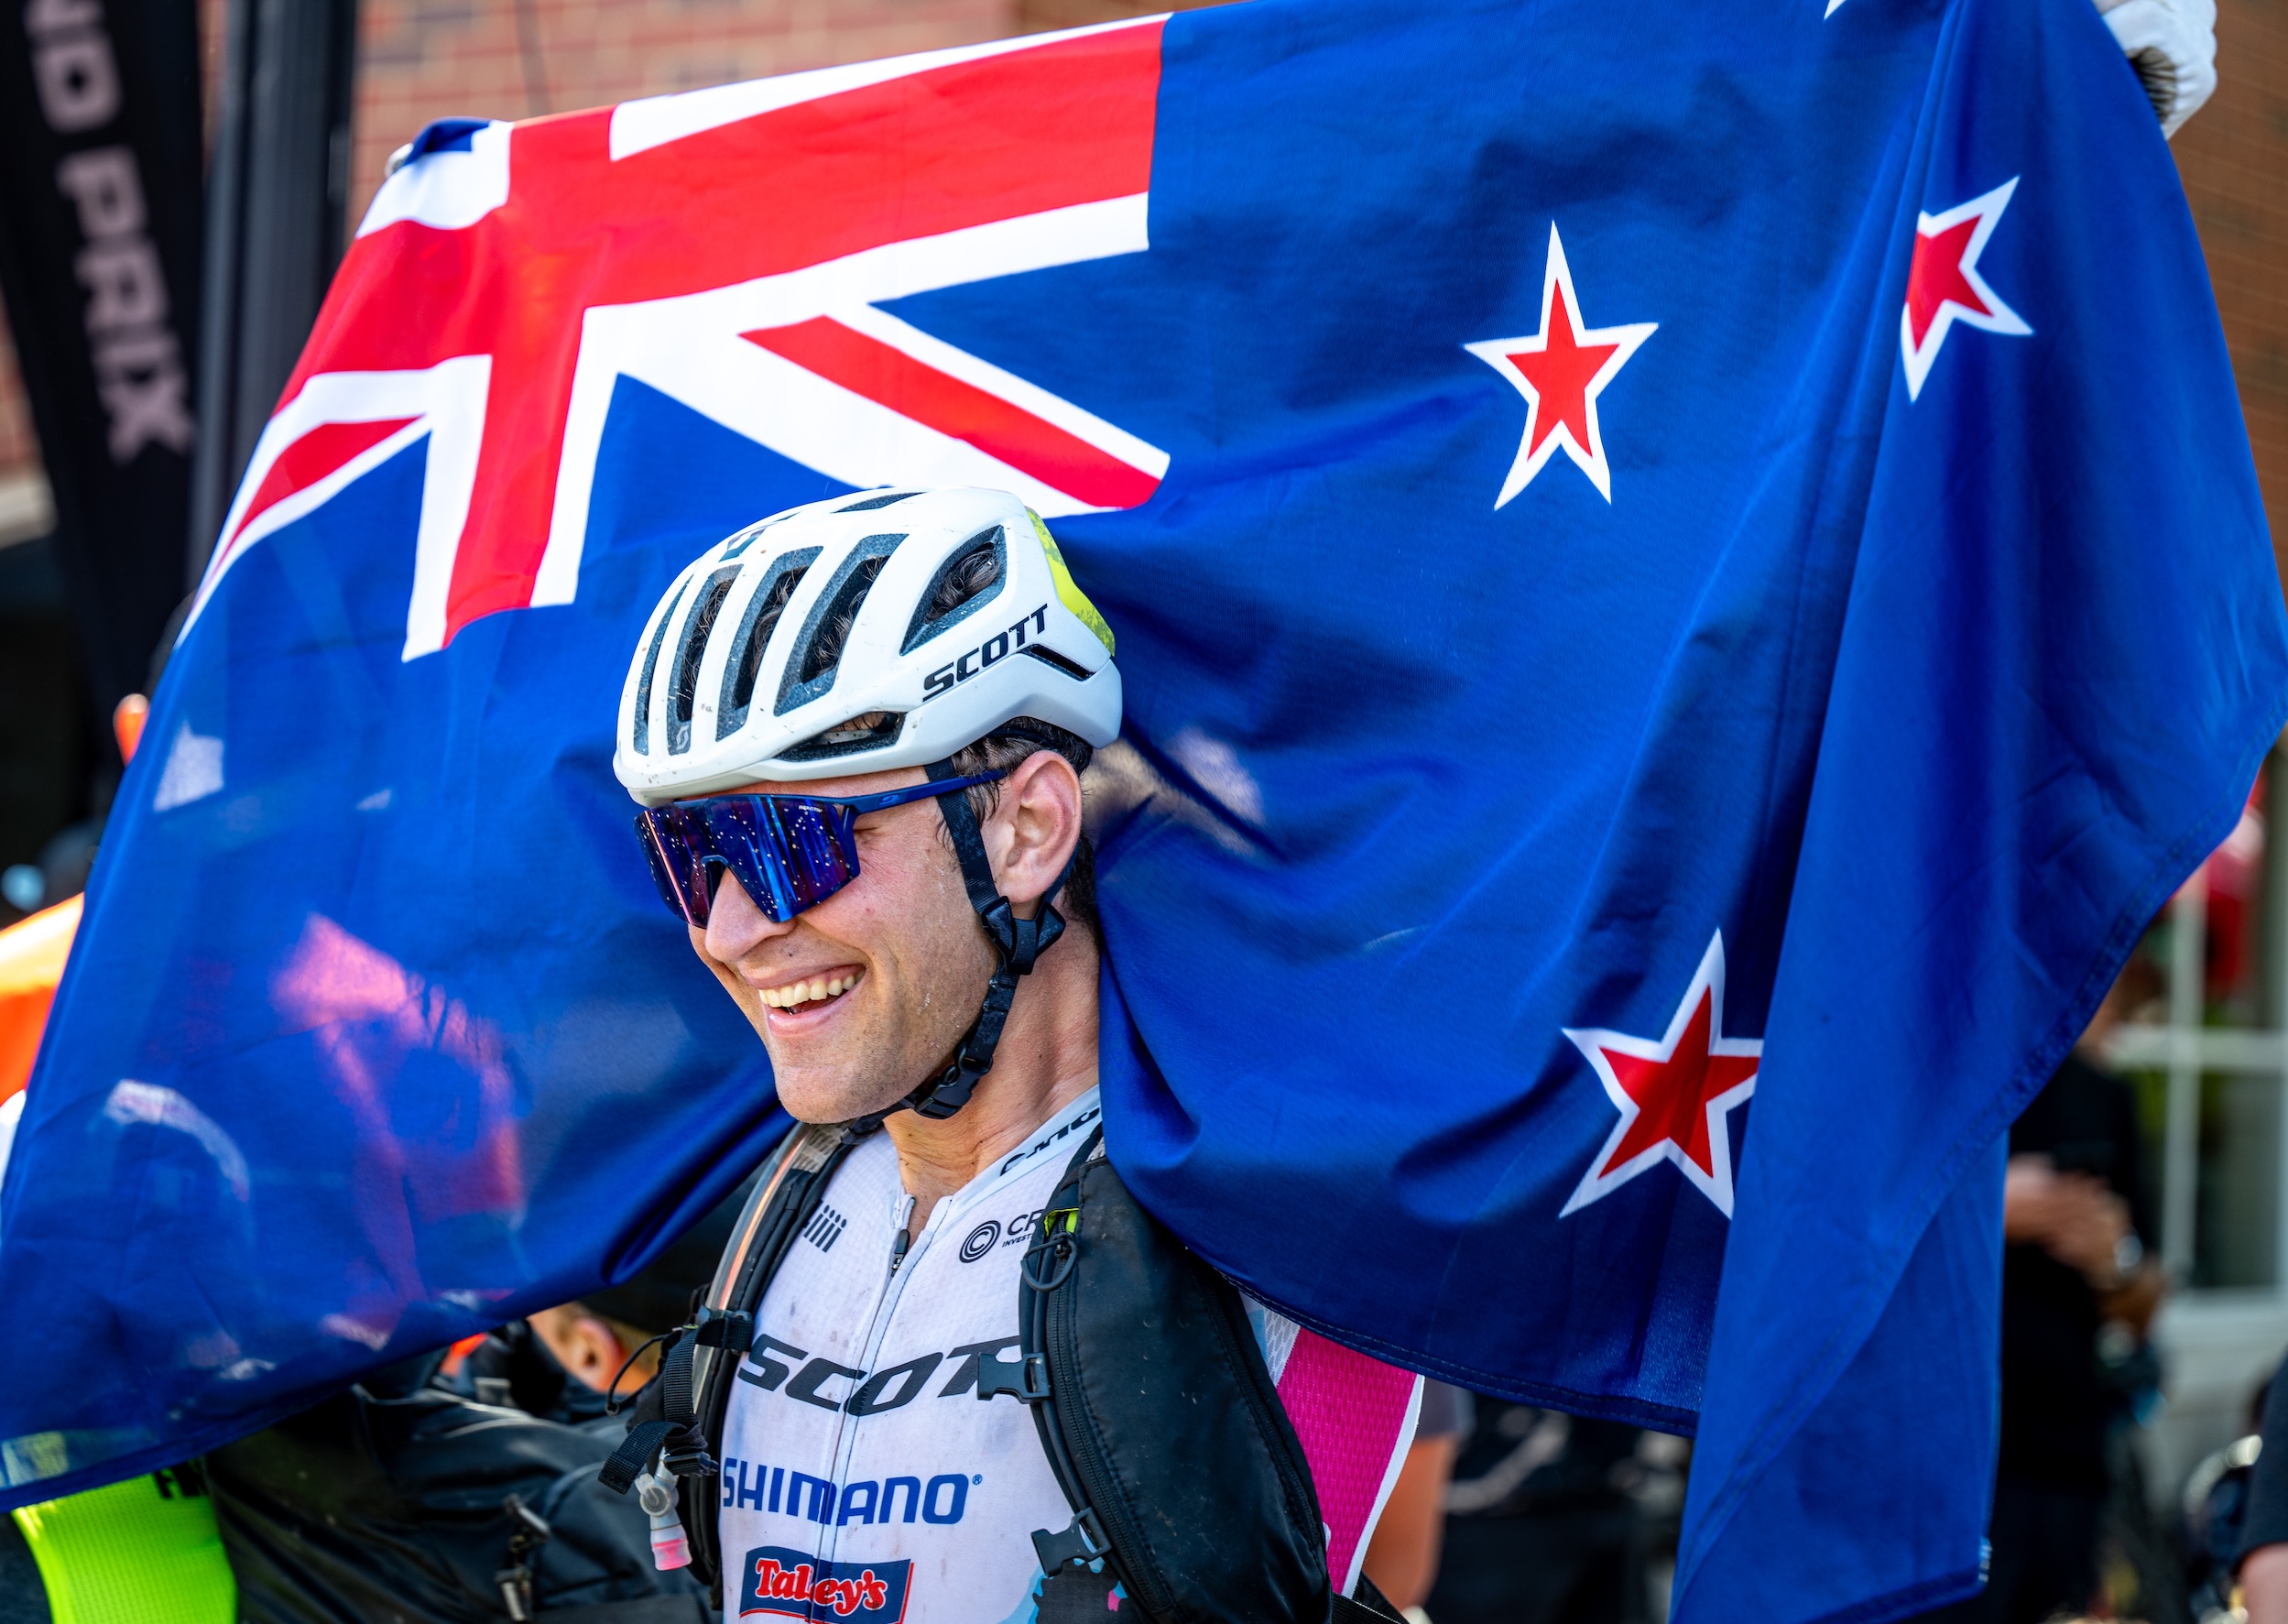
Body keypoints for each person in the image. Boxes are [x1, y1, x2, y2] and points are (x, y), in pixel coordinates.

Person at [605, 488, 1422, 1623]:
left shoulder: (1258, 1209)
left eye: (798, 842)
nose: (732, 930)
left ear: (1026, 828)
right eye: (690, 855)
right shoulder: (781, 1200)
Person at [1929, 977, 2164, 1624]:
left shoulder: (2104, 1096)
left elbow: (2145, 1306)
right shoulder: (1940, 1086)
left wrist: (2112, 1258)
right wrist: (1986, 1212)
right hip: (1949, 1463)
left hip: (2068, 1459)